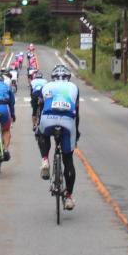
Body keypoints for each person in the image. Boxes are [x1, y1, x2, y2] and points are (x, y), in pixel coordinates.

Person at [37, 65, 80, 210]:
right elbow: (77, 113)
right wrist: (77, 131)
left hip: (48, 118)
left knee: (43, 134)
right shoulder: (74, 87)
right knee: (68, 159)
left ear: (53, 77)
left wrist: (38, 128)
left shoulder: (46, 86)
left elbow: (39, 109)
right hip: (68, 121)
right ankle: (68, 198)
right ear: (68, 77)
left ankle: (44, 160)